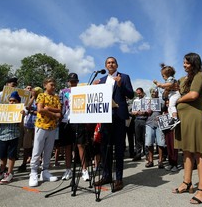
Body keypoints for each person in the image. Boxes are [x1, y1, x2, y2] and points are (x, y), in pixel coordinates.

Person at [173, 53, 202, 204]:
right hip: (182, 118)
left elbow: (194, 95)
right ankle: (187, 182)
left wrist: (178, 100)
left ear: (194, 63)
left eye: (187, 63)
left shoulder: (200, 76)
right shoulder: (182, 80)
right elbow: (173, 92)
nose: (184, 65)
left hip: (194, 117)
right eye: (183, 63)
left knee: (200, 152)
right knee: (186, 151)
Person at [94, 56, 134, 192]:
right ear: (106, 66)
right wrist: (94, 88)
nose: (111, 64)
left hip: (119, 116)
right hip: (105, 117)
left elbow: (131, 94)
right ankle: (106, 175)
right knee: (105, 148)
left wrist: (120, 85)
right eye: (108, 63)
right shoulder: (101, 80)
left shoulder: (124, 77)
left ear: (117, 65)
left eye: (113, 62)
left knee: (119, 149)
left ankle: (118, 179)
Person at [28, 78, 62, 187]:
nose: (53, 87)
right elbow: (40, 109)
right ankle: (33, 172)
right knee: (37, 149)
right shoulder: (41, 95)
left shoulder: (56, 97)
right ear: (45, 85)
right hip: (41, 125)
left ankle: (45, 171)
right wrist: (53, 113)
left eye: (54, 85)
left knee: (48, 150)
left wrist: (48, 109)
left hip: (52, 127)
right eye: (51, 84)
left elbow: (59, 111)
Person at [59, 73, 91, 182]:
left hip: (78, 120)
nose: (72, 82)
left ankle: (84, 170)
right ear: (68, 81)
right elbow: (61, 105)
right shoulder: (63, 92)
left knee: (80, 145)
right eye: (71, 81)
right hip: (65, 121)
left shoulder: (82, 90)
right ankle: (68, 169)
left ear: (77, 82)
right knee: (67, 146)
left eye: (74, 81)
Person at [0, 91, 23, 184]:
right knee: (2, 155)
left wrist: (22, 115)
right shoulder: (3, 109)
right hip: (2, 136)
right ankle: (1, 172)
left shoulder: (19, 111)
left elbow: (20, 126)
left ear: (18, 102)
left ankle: (9, 173)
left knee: (11, 156)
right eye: (10, 101)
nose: (12, 102)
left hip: (13, 135)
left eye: (14, 101)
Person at [18, 87, 43, 172]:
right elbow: (27, 107)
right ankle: (24, 163)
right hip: (28, 125)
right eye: (32, 91)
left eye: (35, 92)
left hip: (38, 124)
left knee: (38, 145)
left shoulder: (42, 100)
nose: (33, 92)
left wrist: (33, 111)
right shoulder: (29, 99)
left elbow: (41, 111)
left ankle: (38, 163)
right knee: (26, 145)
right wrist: (32, 98)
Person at [153, 63, 181, 129]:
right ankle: (173, 119)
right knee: (169, 107)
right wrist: (159, 84)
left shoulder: (170, 79)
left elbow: (169, 84)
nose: (163, 77)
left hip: (175, 94)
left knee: (171, 106)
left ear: (167, 74)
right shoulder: (167, 81)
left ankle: (175, 118)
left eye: (163, 75)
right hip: (172, 95)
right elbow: (165, 87)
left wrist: (161, 85)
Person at [144, 88, 165, 169]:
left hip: (159, 123)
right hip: (149, 123)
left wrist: (161, 116)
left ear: (157, 93)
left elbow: (165, 110)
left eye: (155, 92)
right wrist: (146, 111)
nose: (153, 93)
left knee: (160, 143)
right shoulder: (147, 102)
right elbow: (142, 112)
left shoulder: (161, 101)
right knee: (149, 142)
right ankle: (150, 160)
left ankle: (160, 161)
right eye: (152, 92)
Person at [132, 87, 148, 161]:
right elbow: (133, 111)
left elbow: (149, 109)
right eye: (137, 93)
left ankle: (146, 154)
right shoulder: (135, 101)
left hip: (145, 119)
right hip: (137, 119)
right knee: (137, 138)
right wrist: (136, 112)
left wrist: (144, 112)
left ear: (142, 92)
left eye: (139, 93)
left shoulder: (147, 99)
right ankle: (138, 154)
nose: (138, 94)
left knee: (145, 137)